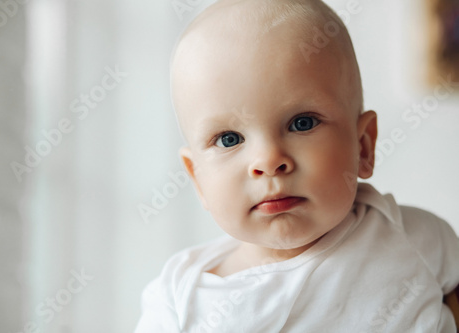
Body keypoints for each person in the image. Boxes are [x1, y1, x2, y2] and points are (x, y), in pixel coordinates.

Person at [135, 0, 459, 331]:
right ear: (198, 178)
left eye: (302, 123)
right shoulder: (179, 301)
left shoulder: (413, 237)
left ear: (363, 146)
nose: (268, 161)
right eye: (229, 139)